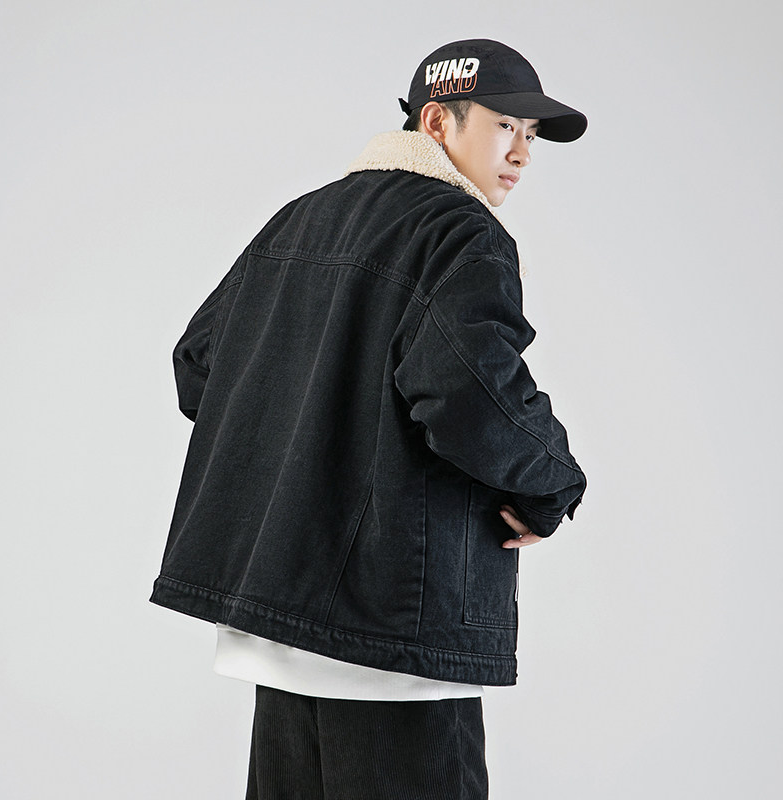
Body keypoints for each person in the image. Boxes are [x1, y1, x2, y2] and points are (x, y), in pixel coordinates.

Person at [150, 38, 588, 800]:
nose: (521, 153)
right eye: (504, 126)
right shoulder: (461, 232)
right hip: (396, 632)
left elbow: (199, 365)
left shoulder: (299, 220)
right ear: (438, 121)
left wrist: (307, 418)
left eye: (530, 135)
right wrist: (554, 483)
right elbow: (467, 393)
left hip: (281, 627)